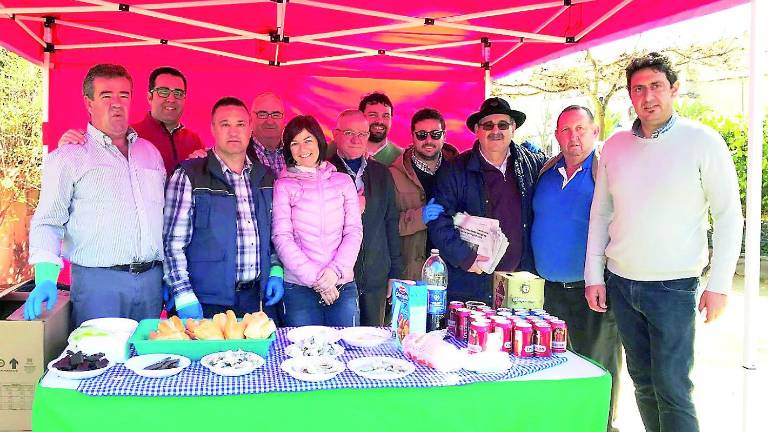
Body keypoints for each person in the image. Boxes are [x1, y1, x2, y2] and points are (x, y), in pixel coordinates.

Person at [585, 53, 743, 432]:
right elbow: (601, 214)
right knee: (643, 383)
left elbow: (728, 217)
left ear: (674, 89)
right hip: (621, 285)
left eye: (656, 86)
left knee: (673, 389)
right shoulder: (617, 146)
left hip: (673, 289)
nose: (647, 96)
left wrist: (718, 285)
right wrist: (594, 275)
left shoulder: (702, 141)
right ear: (630, 95)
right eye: (638, 89)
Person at [24, 64, 165, 326]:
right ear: (89, 103)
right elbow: (48, 220)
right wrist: (45, 276)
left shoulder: (150, 153)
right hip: (99, 284)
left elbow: (164, 218)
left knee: (149, 363)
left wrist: (166, 275)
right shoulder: (69, 156)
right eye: (106, 95)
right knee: (99, 361)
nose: (116, 104)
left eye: (124, 95)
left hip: (151, 283)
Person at [531, 105, 622, 432]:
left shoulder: (605, 172)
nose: (573, 137)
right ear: (556, 135)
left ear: (595, 132)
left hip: (592, 292)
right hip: (549, 294)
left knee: (598, 368)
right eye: (566, 130)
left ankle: (602, 425)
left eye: (580, 129)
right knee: (557, 367)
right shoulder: (546, 171)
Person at [163, 96, 284, 319]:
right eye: (225, 124)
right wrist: (182, 294)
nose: (233, 131)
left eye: (240, 124)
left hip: (256, 301)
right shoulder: (189, 175)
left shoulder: (266, 177)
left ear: (250, 129)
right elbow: (172, 243)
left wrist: (276, 270)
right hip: (205, 300)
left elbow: (275, 235)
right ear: (213, 129)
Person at [429, 97, 545, 304]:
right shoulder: (454, 170)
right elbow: (437, 218)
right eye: (488, 125)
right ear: (477, 129)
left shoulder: (532, 165)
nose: (495, 130)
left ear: (513, 127)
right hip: (471, 282)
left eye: (503, 124)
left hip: (519, 284)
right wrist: (465, 257)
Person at [272, 115, 363, 326]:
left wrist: (334, 272)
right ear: (288, 150)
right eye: (294, 143)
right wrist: (317, 280)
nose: (302, 148)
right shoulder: (283, 185)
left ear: (319, 141)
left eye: (308, 140)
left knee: (346, 350)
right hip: (299, 288)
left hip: (341, 284)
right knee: (303, 354)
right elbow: (281, 237)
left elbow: (353, 231)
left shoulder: (343, 181)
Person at [328, 110, 402, 326]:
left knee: (372, 344)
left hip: (375, 278)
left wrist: (394, 273)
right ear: (335, 134)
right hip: (336, 280)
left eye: (362, 133)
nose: (356, 139)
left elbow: (391, 222)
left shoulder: (381, 173)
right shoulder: (324, 172)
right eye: (349, 132)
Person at [56, 66, 204, 173]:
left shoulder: (194, 140)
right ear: (149, 97)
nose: (171, 99)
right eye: (163, 92)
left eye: (178, 93)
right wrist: (68, 146)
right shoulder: (129, 137)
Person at [389, 108, 459, 280]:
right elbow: (385, 225)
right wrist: (420, 217)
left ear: (444, 135)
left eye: (435, 134)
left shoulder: (460, 170)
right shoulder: (393, 173)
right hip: (410, 272)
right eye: (421, 134)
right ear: (412, 136)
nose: (428, 140)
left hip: (453, 270)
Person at [248, 92, 287, 174]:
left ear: (284, 119)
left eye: (276, 114)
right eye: (262, 114)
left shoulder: (297, 153)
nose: (270, 121)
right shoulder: (237, 154)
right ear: (250, 118)